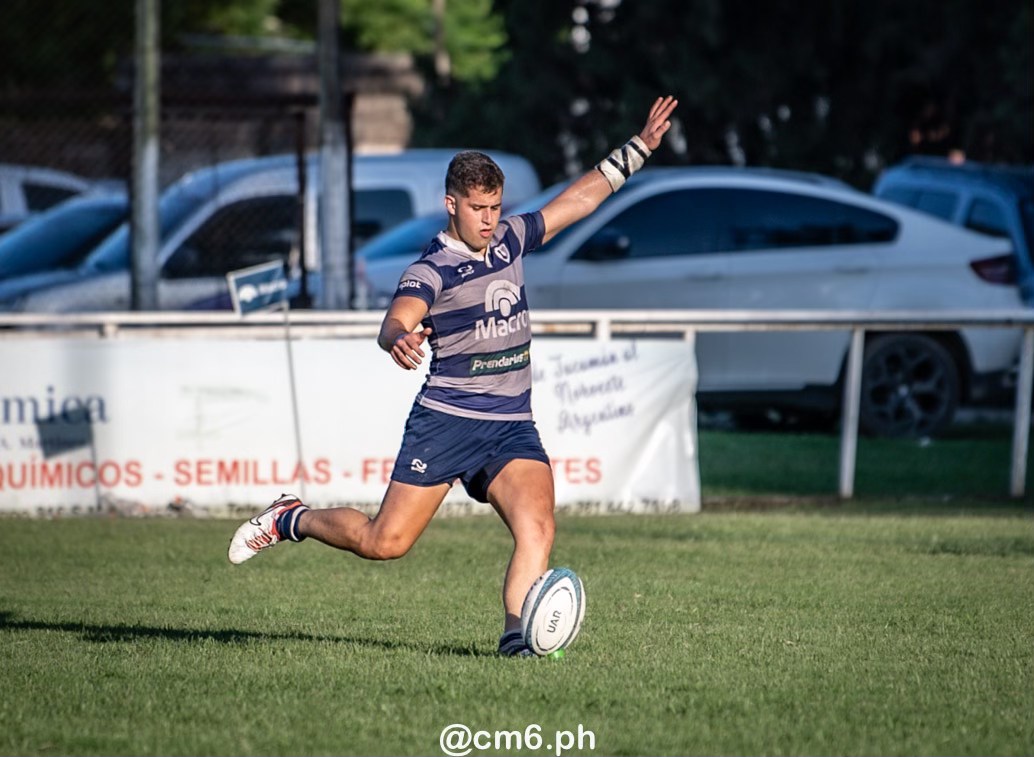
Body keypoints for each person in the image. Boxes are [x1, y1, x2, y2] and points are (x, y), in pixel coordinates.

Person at [228, 95, 679, 656]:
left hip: (511, 424)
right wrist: (400, 339)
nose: (489, 220)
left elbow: (576, 201)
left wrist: (638, 149)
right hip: (447, 422)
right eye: (477, 208)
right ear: (451, 204)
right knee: (384, 542)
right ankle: (292, 518)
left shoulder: (511, 238)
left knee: (537, 528)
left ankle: (516, 640)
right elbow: (396, 318)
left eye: (495, 206)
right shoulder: (431, 269)